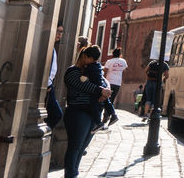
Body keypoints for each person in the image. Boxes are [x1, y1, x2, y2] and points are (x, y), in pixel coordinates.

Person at [62, 45, 111, 178]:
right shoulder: (73, 71)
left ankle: (74, 173)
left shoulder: (92, 71)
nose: (93, 62)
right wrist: (100, 90)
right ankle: (71, 175)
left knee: (82, 147)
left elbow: (104, 82)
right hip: (78, 113)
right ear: (83, 57)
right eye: (91, 59)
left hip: (91, 113)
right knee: (75, 147)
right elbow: (84, 85)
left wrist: (105, 90)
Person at [101, 48, 127, 127]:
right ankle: (108, 116)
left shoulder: (110, 61)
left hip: (109, 82)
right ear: (120, 54)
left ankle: (106, 116)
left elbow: (105, 70)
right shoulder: (123, 61)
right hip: (117, 83)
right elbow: (124, 69)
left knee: (106, 99)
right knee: (111, 100)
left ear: (113, 54)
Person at [45, 24, 64, 128]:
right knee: (57, 114)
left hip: (50, 85)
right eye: (58, 31)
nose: (59, 34)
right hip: (48, 86)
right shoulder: (48, 47)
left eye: (61, 32)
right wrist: (47, 85)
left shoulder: (52, 49)